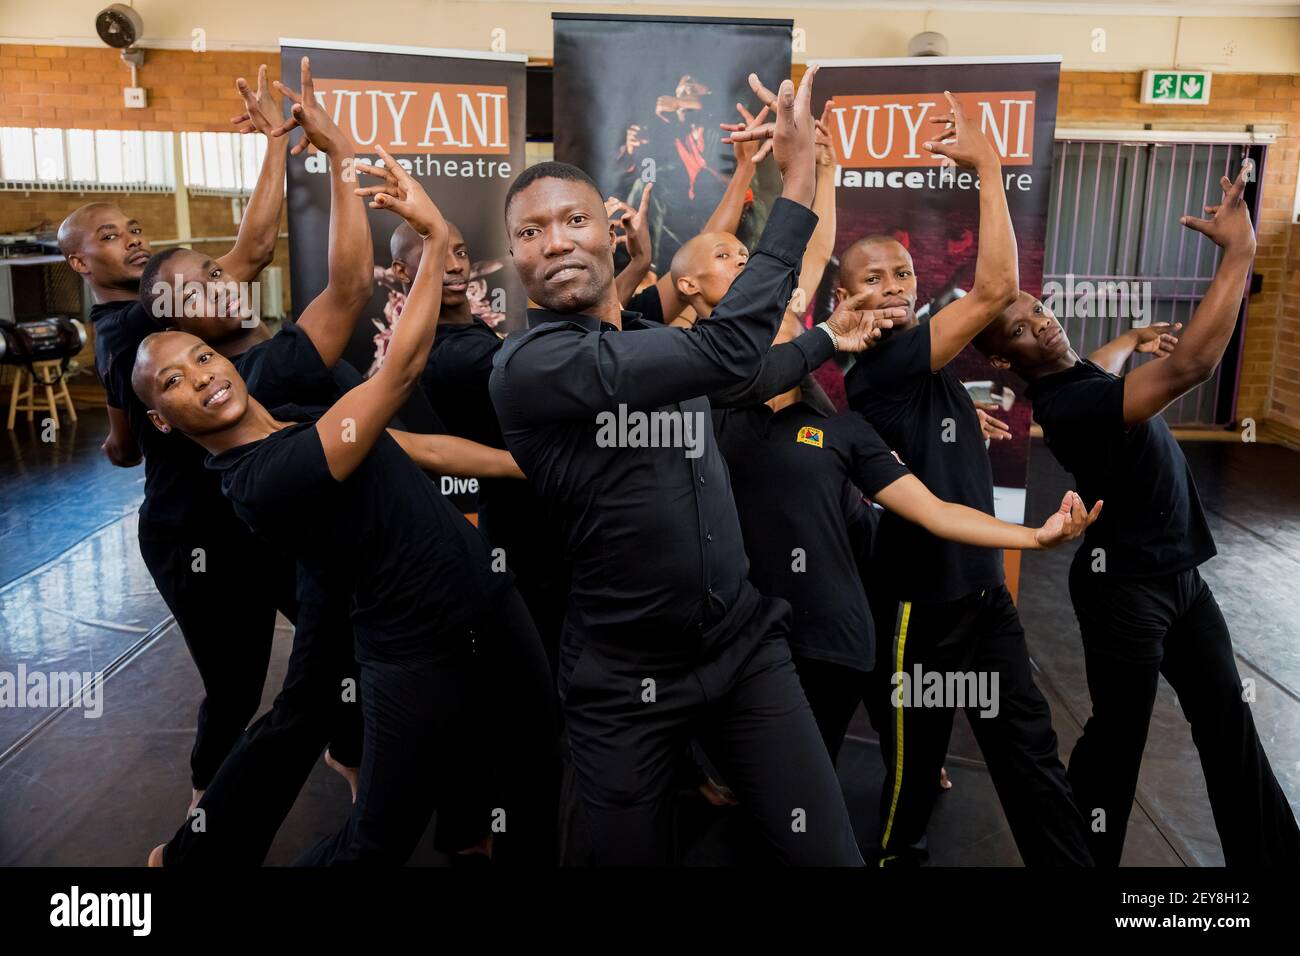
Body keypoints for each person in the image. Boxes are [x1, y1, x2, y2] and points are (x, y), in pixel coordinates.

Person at [490, 67, 892, 866]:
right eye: (532, 232)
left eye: (574, 219)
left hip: (742, 646)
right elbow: (728, 348)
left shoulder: (641, 341)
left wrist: (824, 341)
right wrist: (799, 177)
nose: (556, 239)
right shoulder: (530, 367)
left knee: (832, 855)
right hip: (623, 677)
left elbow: (735, 378)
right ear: (514, 256)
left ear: (612, 232)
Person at [130, 144, 558, 866]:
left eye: (201, 360)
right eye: (173, 381)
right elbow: (400, 374)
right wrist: (432, 241)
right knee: (376, 837)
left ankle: (480, 838)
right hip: (409, 634)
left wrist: (524, 465)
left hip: (469, 588)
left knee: (533, 741)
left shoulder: (289, 406)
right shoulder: (265, 474)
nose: (201, 377)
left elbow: (413, 443)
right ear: (163, 420)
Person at [972, 159, 1300, 866]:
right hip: (1124, 590)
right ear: (1004, 362)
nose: (1042, 324)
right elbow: (1192, 369)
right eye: (1022, 331)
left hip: (1182, 576)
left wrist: (1125, 341)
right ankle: (1079, 861)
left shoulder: (1072, 373)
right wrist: (1241, 252)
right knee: (1118, 736)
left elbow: (1092, 365)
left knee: (1225, 717)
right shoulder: (1067, 404)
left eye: (1038, 309)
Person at [834, 93, 1093, 866]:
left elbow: (932, 416)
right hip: (920, 608)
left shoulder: (924, 358)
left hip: (982, 595)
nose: (891, 284)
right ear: (843, 302)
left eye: (901, 272)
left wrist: (955, 426)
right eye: (871, 278)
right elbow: (994, 292)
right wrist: (989, 169)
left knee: (1030, 754)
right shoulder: (881, 364)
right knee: (912, 776)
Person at [58, 64, 298, 814]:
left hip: (249, 512)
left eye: (133, 229)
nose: (129, 240)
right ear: (78, 262)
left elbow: (124, 449)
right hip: (193, 533)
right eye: (107, 236)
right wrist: (278, 142)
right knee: (234, 687)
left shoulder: (137, 325)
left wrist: (120, 441)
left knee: (335, 637)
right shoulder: (136, 323)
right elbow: (252, 254)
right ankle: (201, 824)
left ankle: (348, 756)